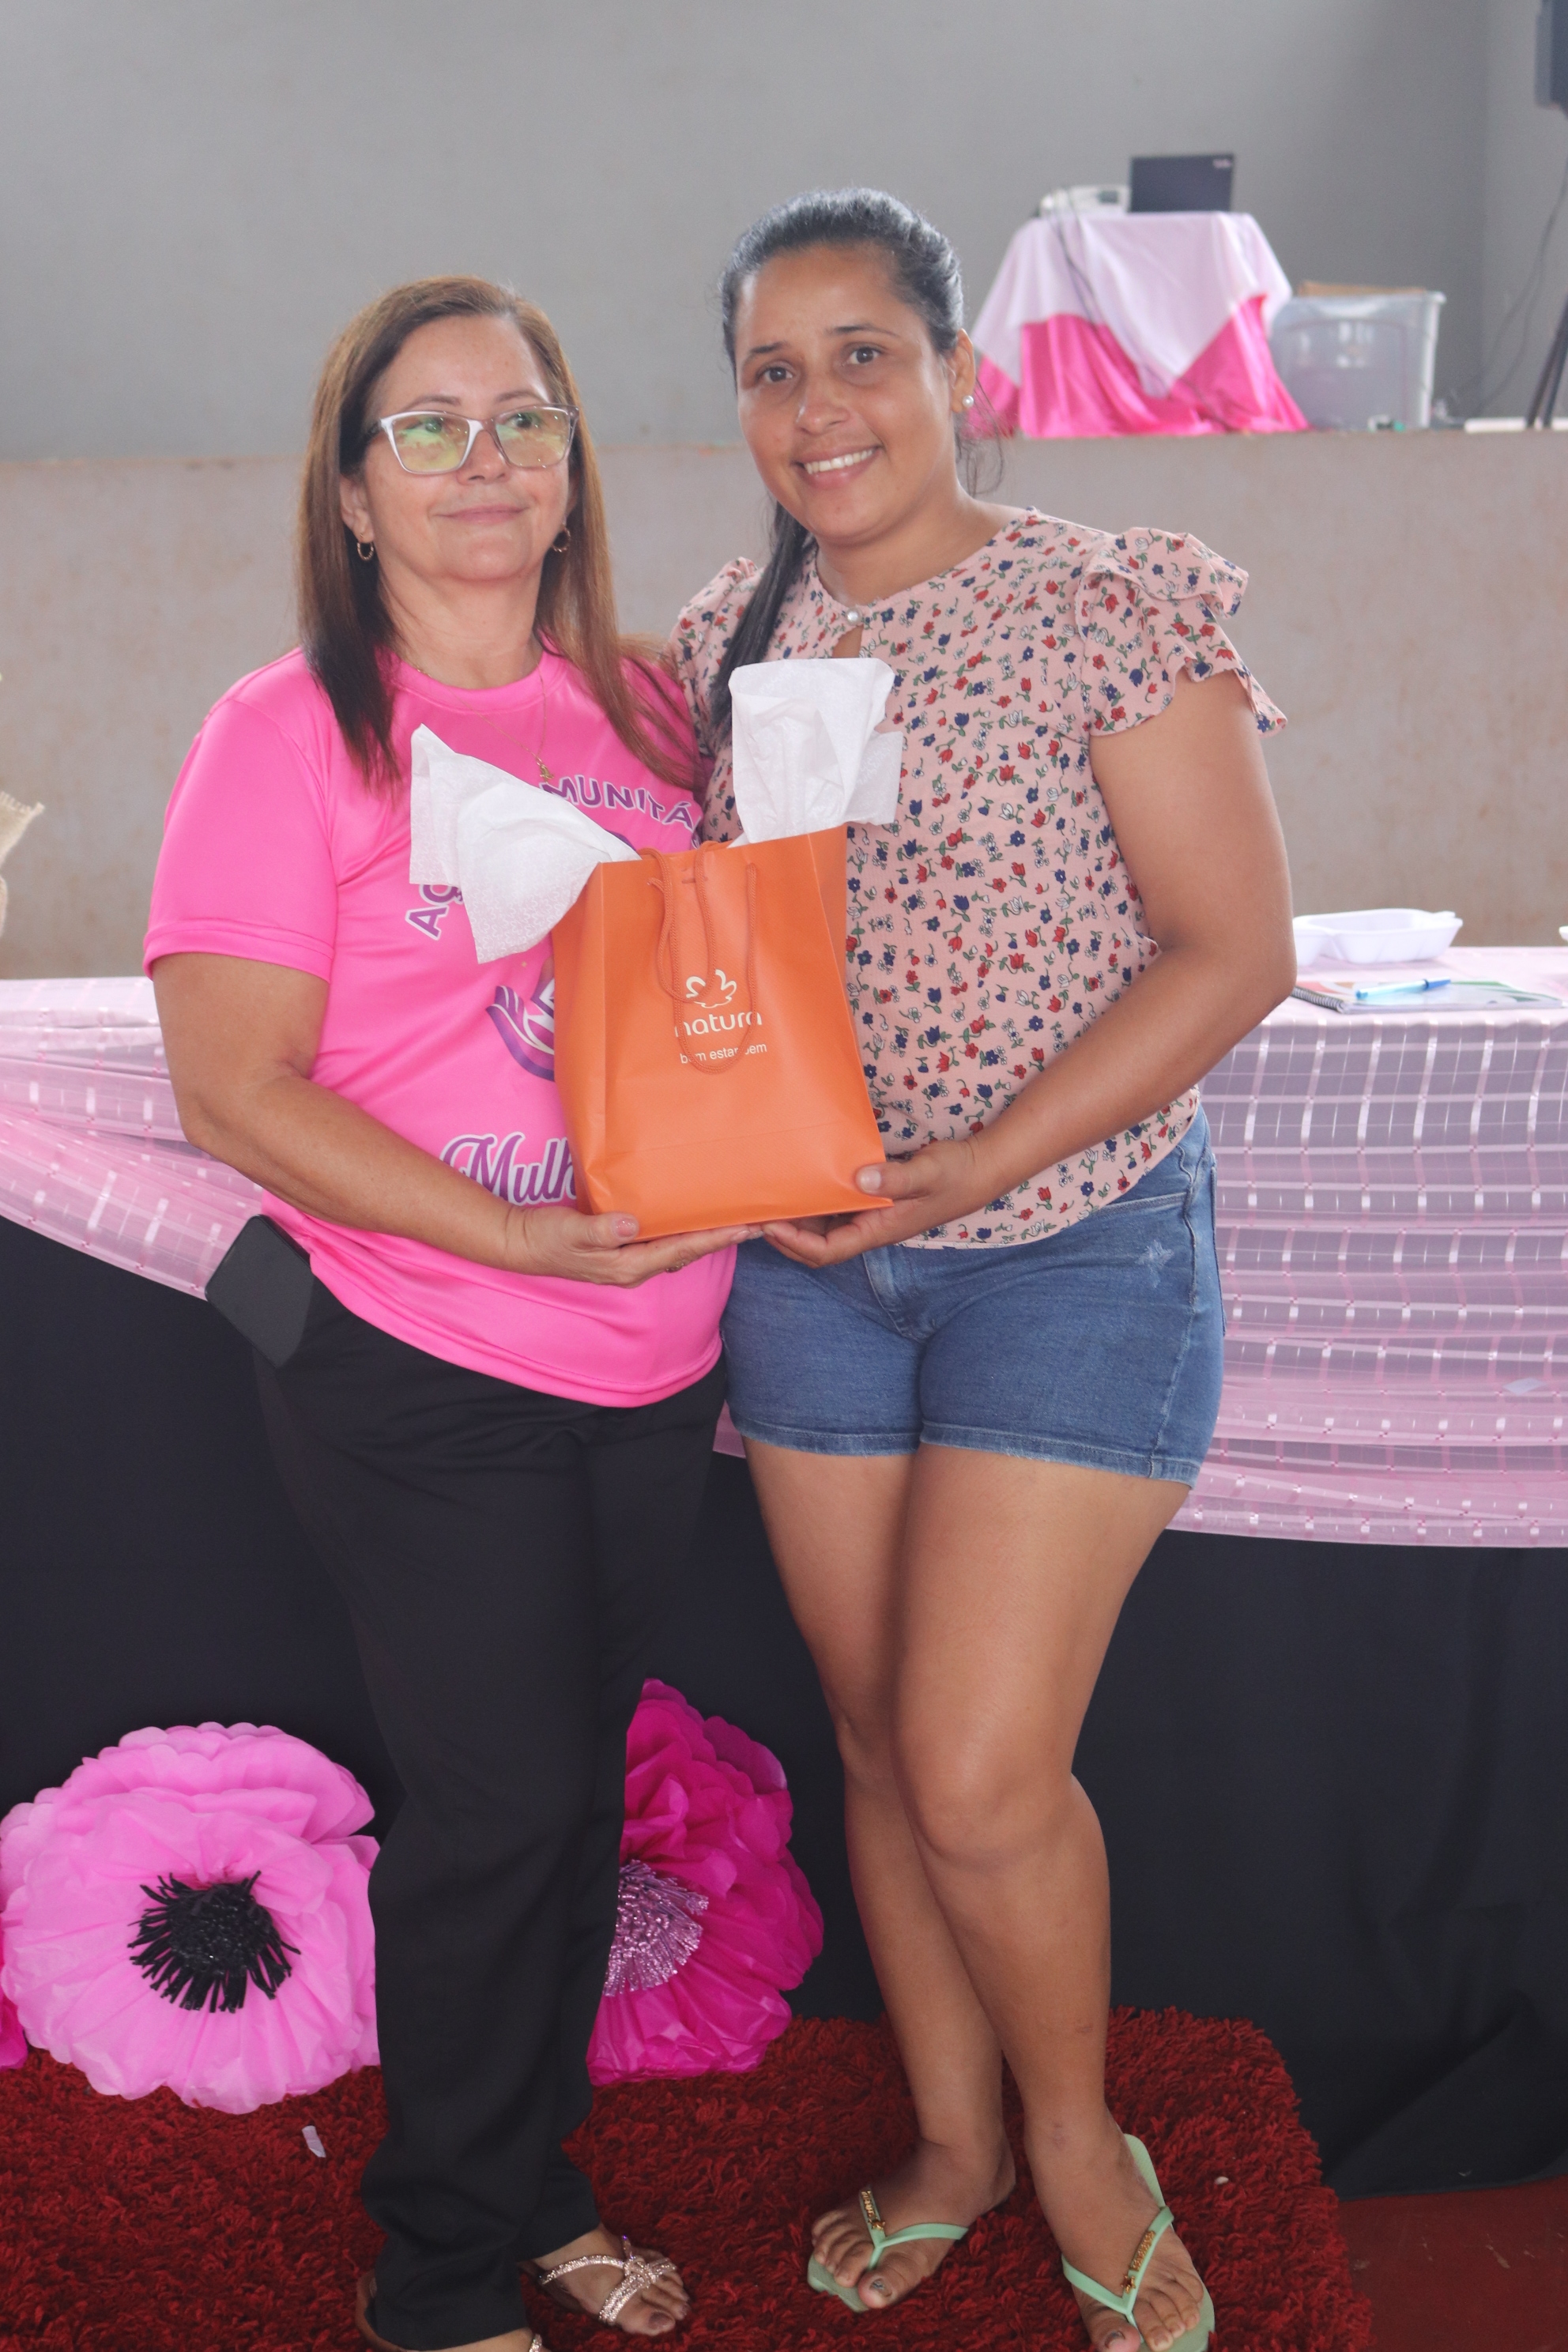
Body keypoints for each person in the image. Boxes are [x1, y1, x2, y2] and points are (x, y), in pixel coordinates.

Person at [670, 191, 1296, 2352]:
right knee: (870, 1736)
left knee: (973, 1768)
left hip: (1069, 1249)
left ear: (960, 371)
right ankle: (951, 2142)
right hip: (812, 1269)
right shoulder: (728, 642)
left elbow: (1233, 951)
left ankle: (1075, 2141)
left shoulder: (1109, 603)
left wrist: (965, 1174)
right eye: (772, 370)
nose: (819, 406)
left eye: (863, 353)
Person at [147, 277, 753, 2352]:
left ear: (574, 463)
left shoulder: (660, 716)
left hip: (656, 1363)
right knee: (499, 1818)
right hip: (420, 1357)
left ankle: (532, 2180)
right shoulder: (288, 731)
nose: (484, 460)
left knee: (568, 1798)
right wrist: (511, 1238)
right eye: (428, 426)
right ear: (352, 491)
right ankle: (436, 2277)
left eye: (524, 418)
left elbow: (728, 1002)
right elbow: (236, 1092)